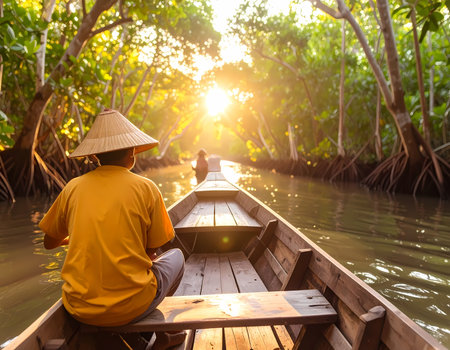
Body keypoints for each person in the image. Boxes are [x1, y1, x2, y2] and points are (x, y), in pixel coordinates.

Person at [39, 109, 186, 350]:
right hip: (132, 306)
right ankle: (163, 332)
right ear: (131, 154)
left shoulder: (72, 188)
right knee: (177, 257)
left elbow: (49, 242)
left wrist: (75, 238)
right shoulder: (146, 188)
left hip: (79, 307)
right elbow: (152, 251)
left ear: (95, 156)